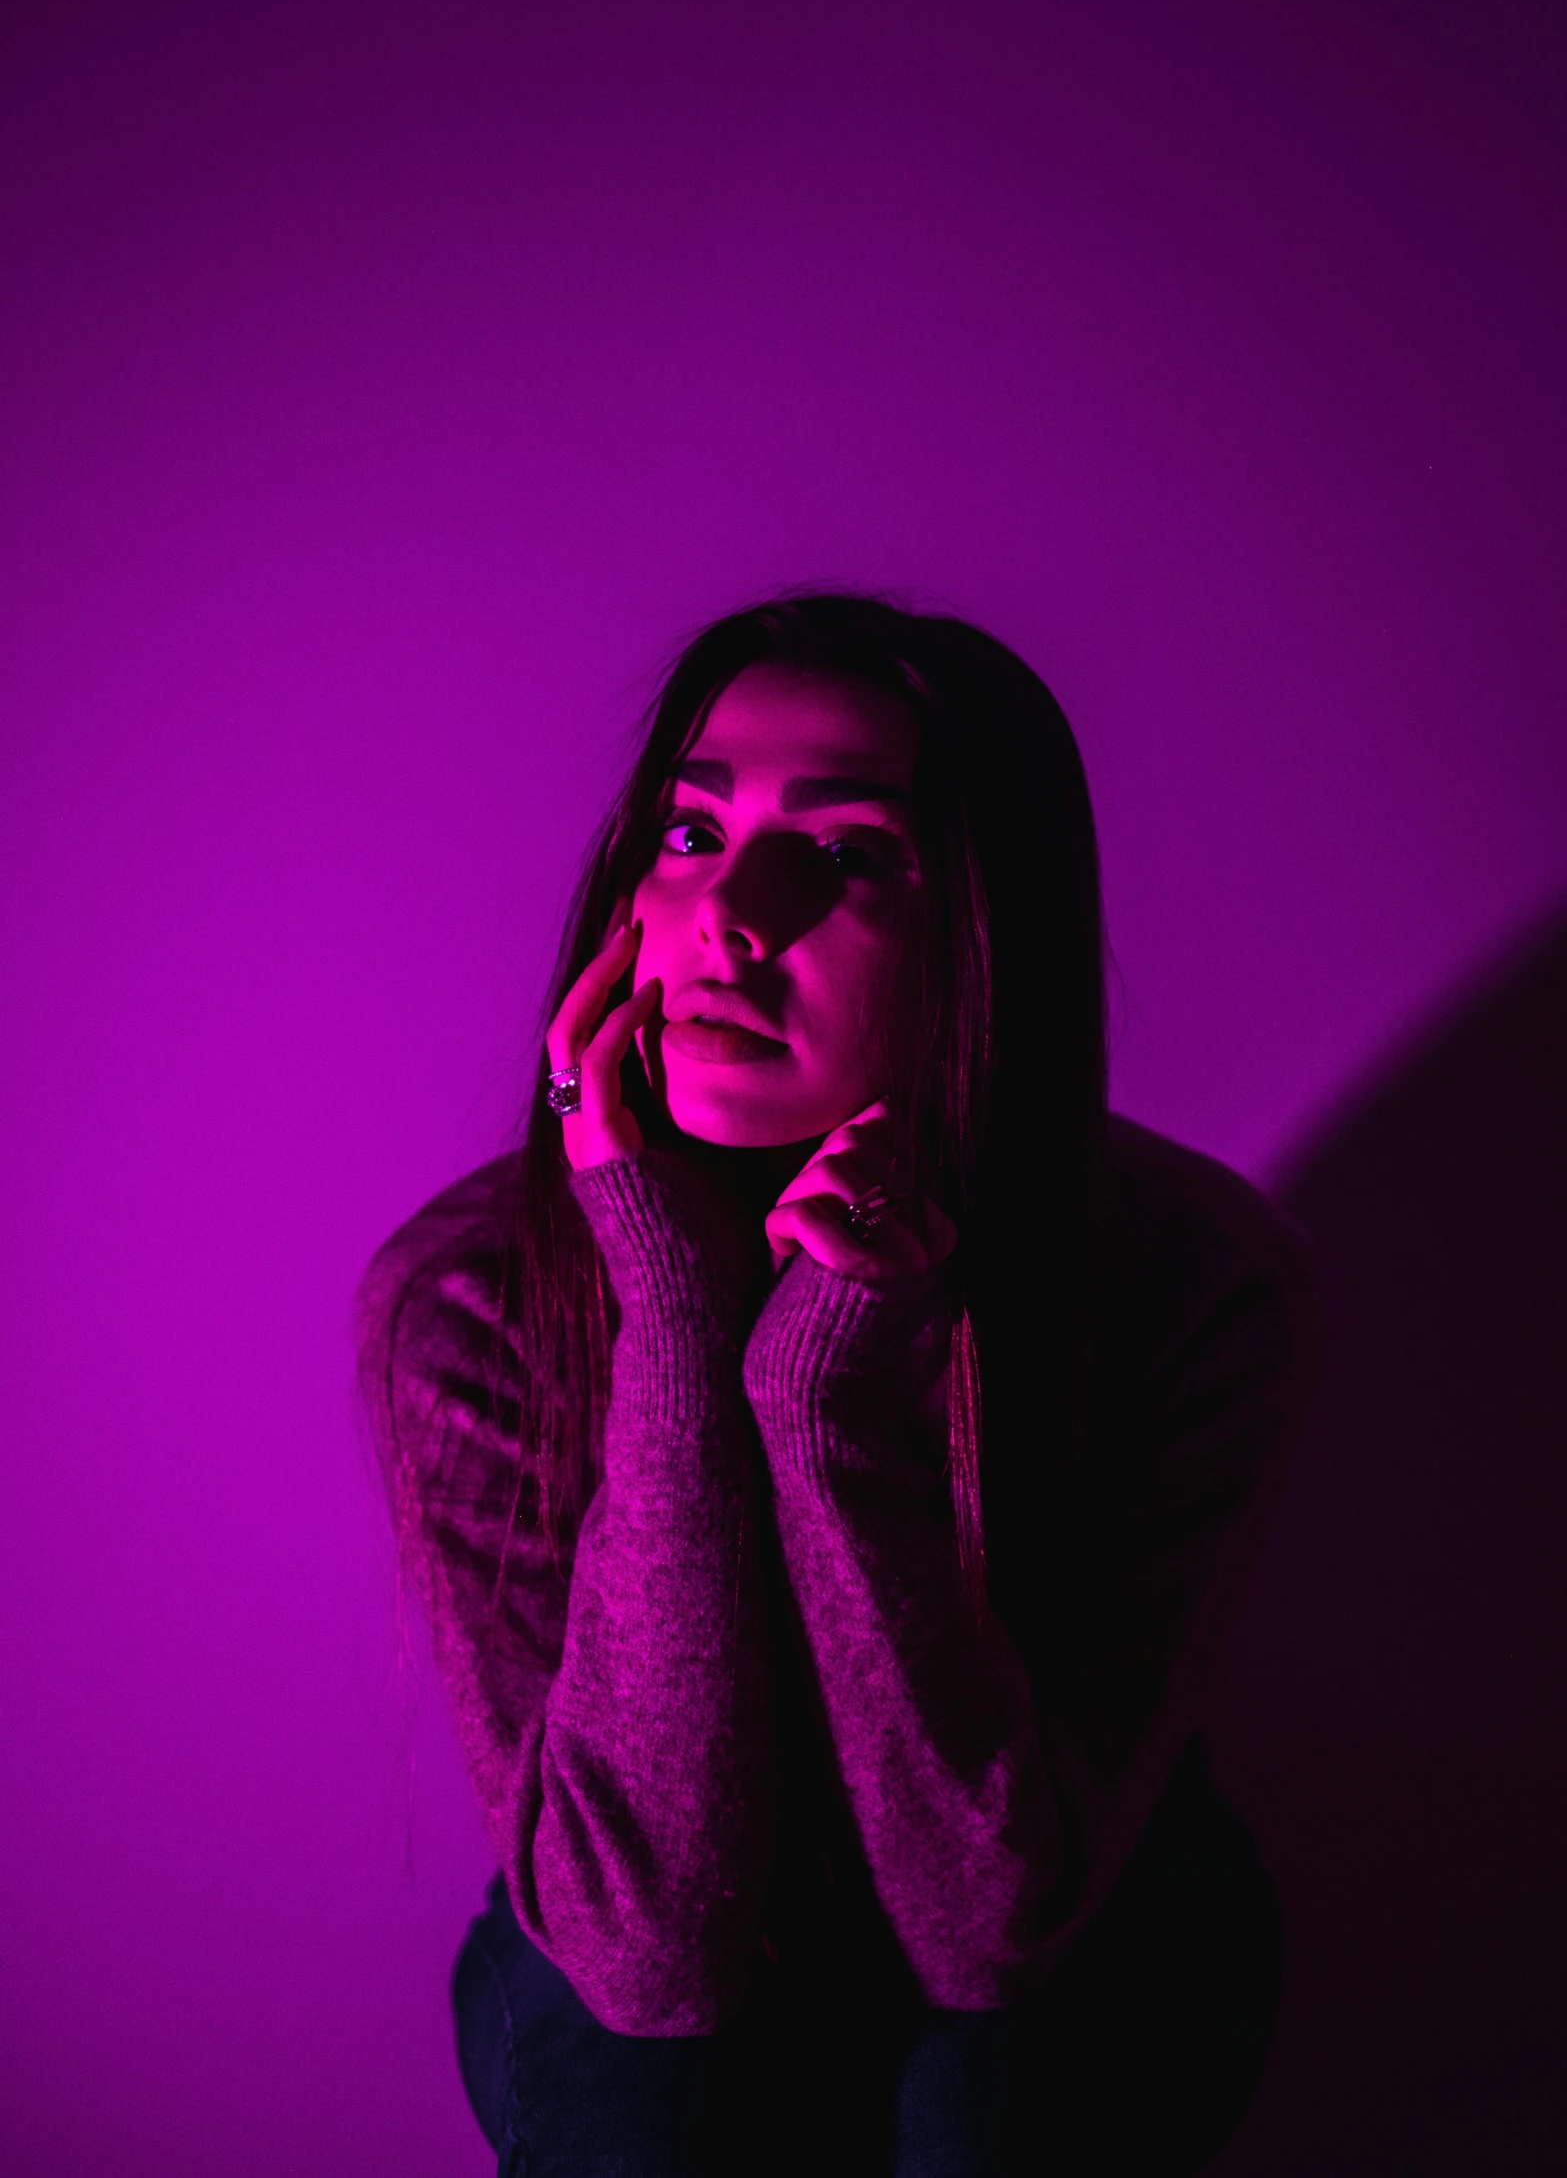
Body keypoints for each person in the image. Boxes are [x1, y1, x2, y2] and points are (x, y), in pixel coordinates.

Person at [356, 593, 1322, 2177]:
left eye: (855, 854)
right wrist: (672, 1323)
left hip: (1081, 1923)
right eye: (687, 829)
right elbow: (644, 1956)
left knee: (982, 2106)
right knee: (637, 2102)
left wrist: (825, 1406)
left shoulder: (1197, 1287)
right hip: (645, 1946)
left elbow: (989, 1928)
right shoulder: (464, 1301)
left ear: (983, 934)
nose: (734, 912)